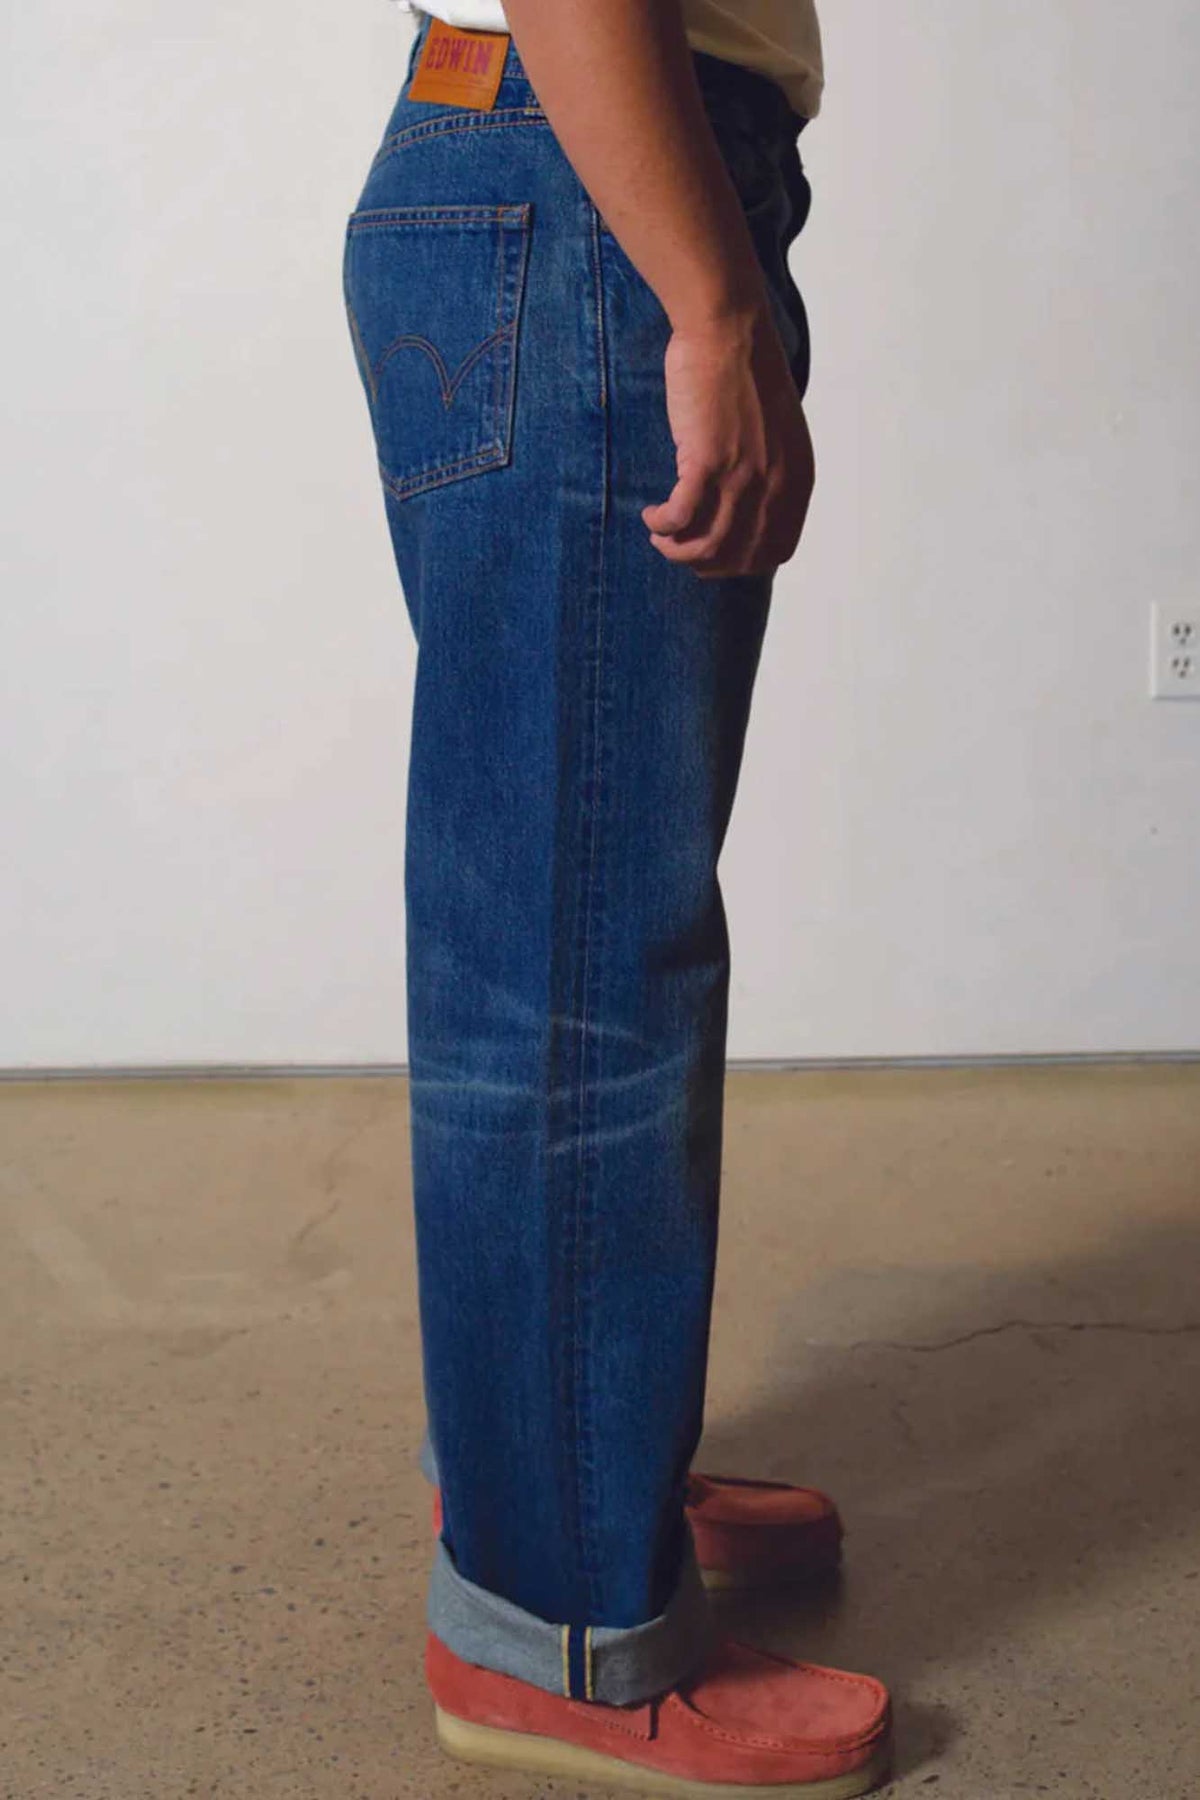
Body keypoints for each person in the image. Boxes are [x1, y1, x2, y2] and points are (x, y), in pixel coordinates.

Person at [342, 1, 893, 1791]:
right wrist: (711, 304)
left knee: (568, 909)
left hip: (558, 168)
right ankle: (560, 1622)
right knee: (576, 972)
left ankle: (569, 1470)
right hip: (596, 187)